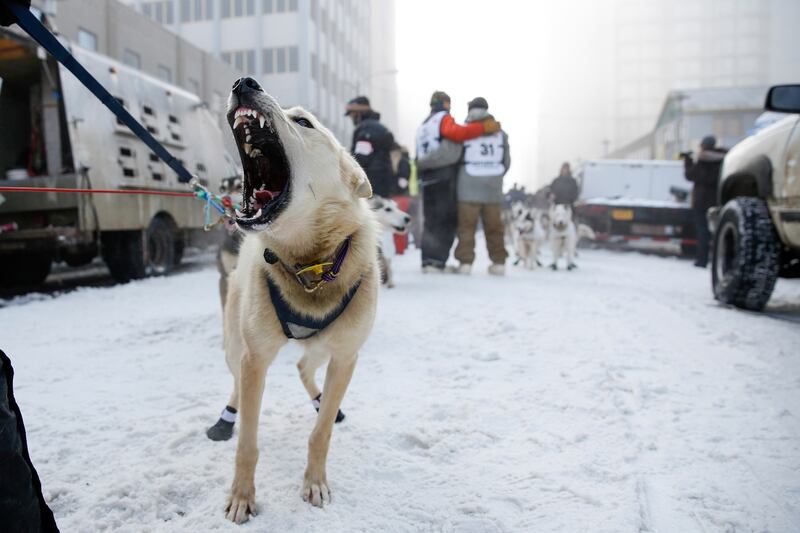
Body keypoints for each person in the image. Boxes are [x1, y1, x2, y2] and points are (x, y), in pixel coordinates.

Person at [415, 91, 501, 272]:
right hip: (442, 175)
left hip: (426, 175)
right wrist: (482, 128)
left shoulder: (424, 125)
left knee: (431, 220)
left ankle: (428, 260)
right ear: (445, 104)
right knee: (445, 218)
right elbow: (455, 133)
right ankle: (437, 262)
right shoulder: (443, 118)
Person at [453, 97, 511, 276]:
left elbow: (456, 156)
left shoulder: (465, 131)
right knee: (494, 226)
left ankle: (465, 263)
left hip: (467, 186)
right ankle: (498, 262)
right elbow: (506, 161)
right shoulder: (500, 133)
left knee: (467, 226)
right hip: (493, 188)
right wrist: (495, 176)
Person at [683, 135, 726, 268]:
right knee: (718, 232)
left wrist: (687, 161)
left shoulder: (702, 160)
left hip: (701, 202)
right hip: (718, 201)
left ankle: (702, 260)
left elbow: (690, 175)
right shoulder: (723, 159)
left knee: (703, 232)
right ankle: (720, 261)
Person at [345, 96, 395, 198]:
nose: (351, 118)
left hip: (373, 184)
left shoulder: (367, 129)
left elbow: (360, 159)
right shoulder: (378, 127)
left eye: (351, 114)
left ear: (358, 113)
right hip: (382, 182)